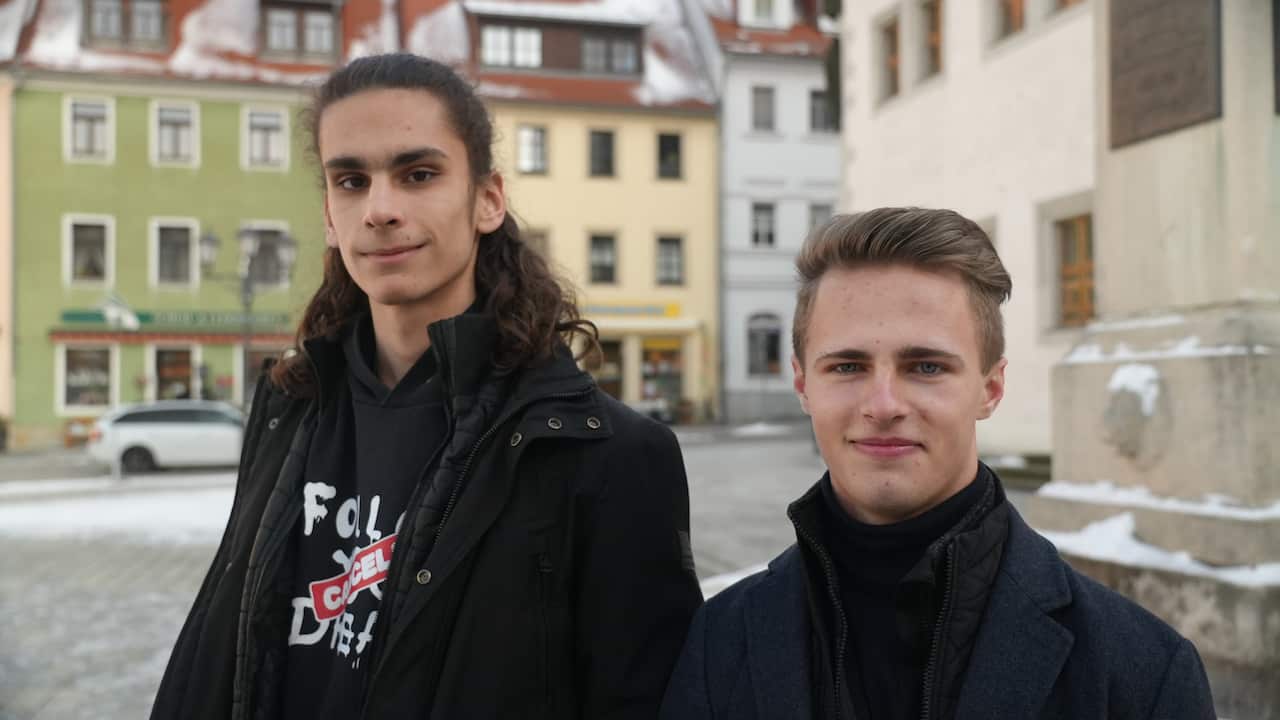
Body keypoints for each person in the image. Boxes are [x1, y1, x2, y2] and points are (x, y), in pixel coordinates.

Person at [152, 53, 701, 720]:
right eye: (351, 180)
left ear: (488, 199)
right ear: (329, 213)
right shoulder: (286, 404)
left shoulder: (606, 454)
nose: (380, 210)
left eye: (418, 174)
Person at [661, 208, 1216, 719]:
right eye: (848, 366)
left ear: (990, 388)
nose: (883, 406)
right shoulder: (720, 641)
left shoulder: (1140, 674)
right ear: (803, 384)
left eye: (925, 367)